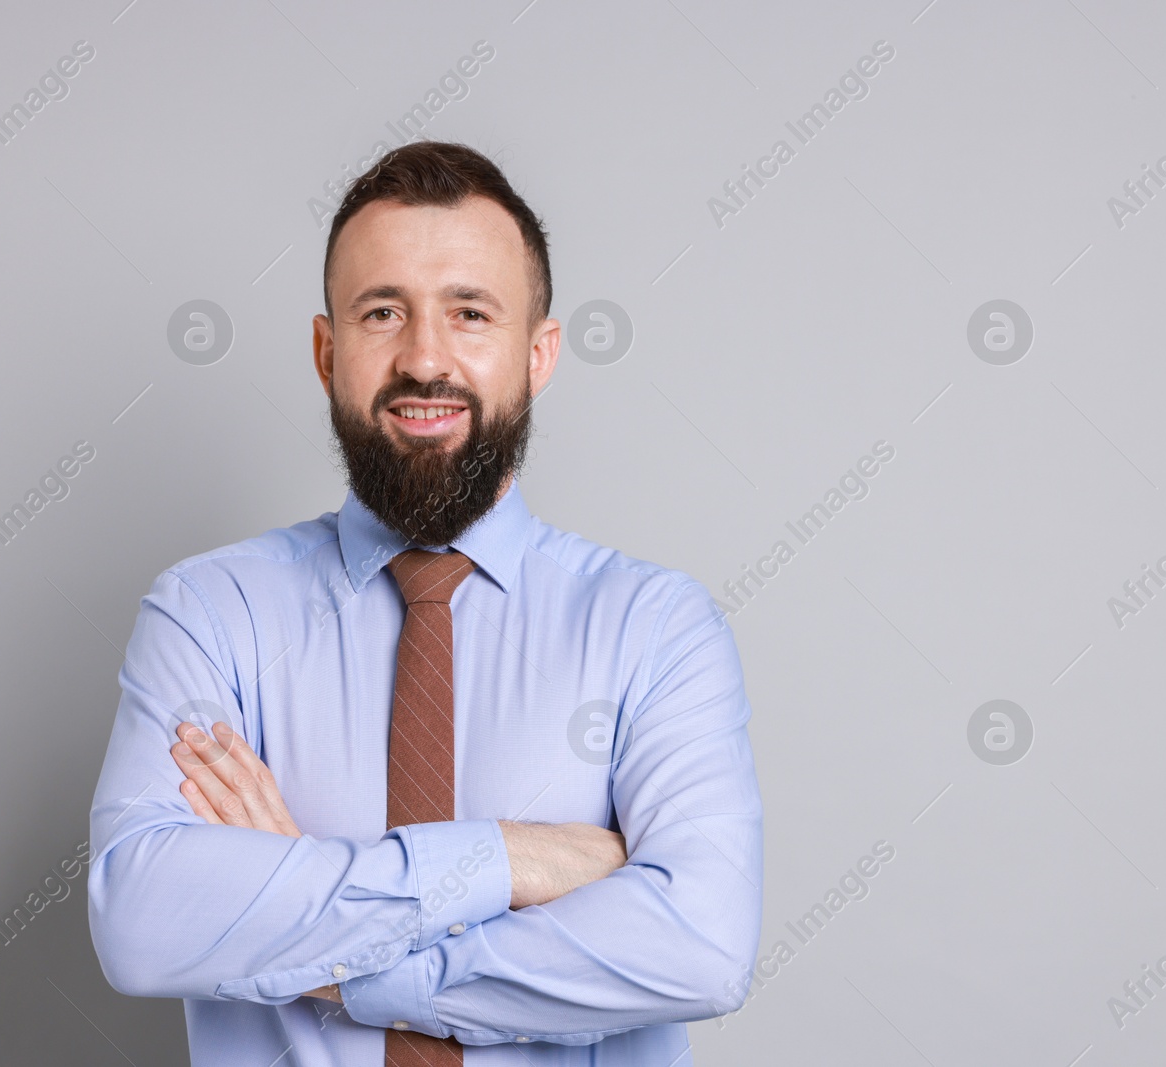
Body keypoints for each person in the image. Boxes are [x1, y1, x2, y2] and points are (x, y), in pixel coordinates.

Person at [87, 140, 763, 1065]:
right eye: (382, 312)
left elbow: (701, 949)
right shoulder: (211, 614)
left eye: (470, 313)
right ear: (328, 352)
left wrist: (327, 948)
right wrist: (511, 859)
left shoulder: (655, 629)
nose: (424, 358)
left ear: (539, 353)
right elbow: (143, 919)